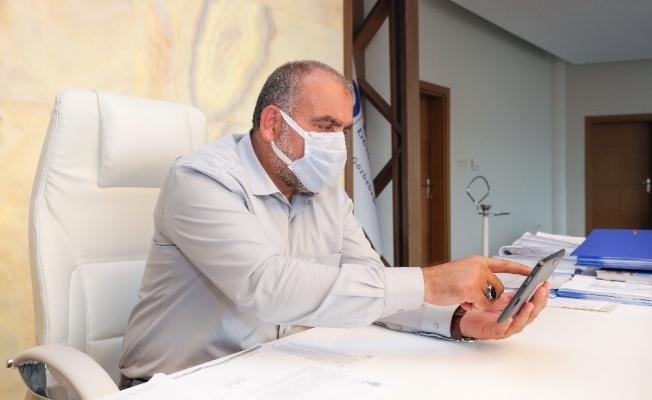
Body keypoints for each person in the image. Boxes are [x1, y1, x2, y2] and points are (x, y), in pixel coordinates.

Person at [119, 60, 548, 388]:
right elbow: (265, 286)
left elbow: (369, 285)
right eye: (324, 126)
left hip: (280, 372)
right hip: (183, 384)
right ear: (272, 124)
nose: (336, 145)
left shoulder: (323, 191)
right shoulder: (200, 180)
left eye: (342, 130)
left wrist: (456, 319)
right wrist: (430, 281)